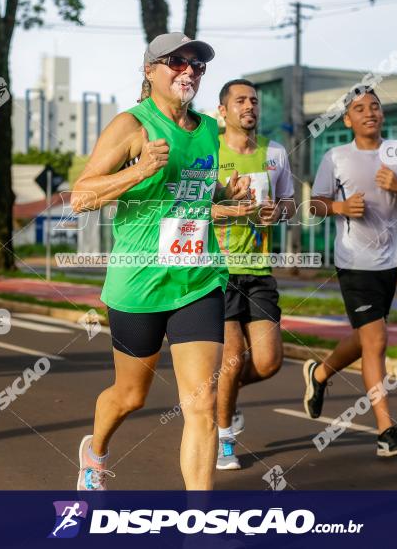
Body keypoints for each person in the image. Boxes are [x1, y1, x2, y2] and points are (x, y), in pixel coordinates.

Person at [70, 32, 251, 491]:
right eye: (176, 61)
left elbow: (196, 190)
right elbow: (80, 196)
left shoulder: (209, 129)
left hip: (198, 279)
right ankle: (95, 451)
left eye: (197, 64)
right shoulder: (132, 125)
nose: (188, 70)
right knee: (131, 395)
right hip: (139, 283)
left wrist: (229, 195)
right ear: (150, 70)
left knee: (202, 403)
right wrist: (139, 170)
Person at [304, 87, 397, 457]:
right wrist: (341, 207)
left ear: (382, 114)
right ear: (348, 120)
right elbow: (315, 205)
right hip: (353, 262)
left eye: (374, 106)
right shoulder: (336, 156)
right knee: (376, 340)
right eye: (359, 108)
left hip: (390, 261)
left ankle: (320, 373)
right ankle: (385, 432)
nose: (369, 112)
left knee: (365, 338)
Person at [211, 79, 295, 470]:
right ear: (223, 110)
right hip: (218, 271)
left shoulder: (275, 153)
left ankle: (220, 399)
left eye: (254, 101)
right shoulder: (208, 151)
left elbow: (291, 204)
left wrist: (278, 211)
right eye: (240, 100)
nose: (250, 106)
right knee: (231, 360)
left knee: (268, 362)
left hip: (260, 271)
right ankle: (224, 438)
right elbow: (190, 205)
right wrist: (228, 201)